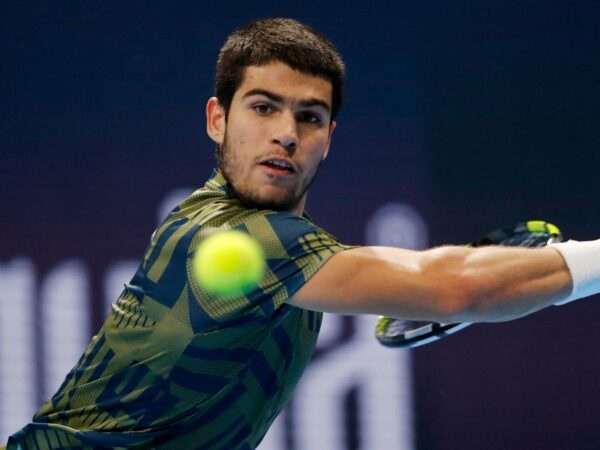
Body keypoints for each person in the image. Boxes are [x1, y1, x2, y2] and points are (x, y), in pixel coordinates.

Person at [5, 17, 600, 450]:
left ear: (329, 137)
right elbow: (454, 290)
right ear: (217, 119)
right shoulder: (226, 239)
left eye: (309, 117)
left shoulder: (296, 257)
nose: (286, 133)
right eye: (263, 107)